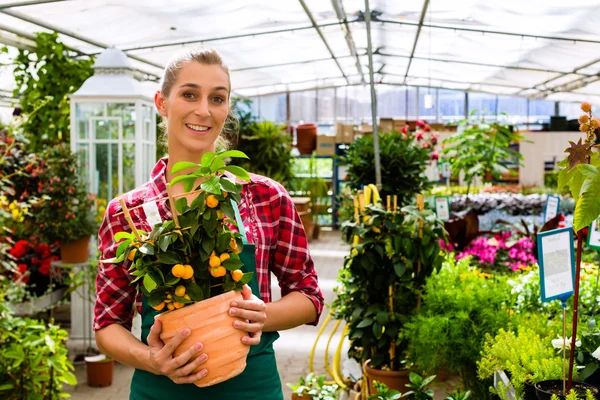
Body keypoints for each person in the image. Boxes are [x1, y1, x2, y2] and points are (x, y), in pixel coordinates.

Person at [94, 48, 324, 400]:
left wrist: (263, 315)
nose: (203, 110)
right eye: (189, 94)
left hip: (252, 389)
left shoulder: (266, 198)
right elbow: (108, 322)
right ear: (162, 102)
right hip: (161, 391)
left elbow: (308, 294)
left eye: (217, 98)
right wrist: (152, 359)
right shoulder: (128, 212)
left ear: (226, 108)